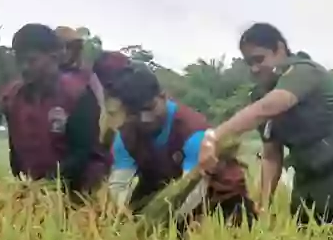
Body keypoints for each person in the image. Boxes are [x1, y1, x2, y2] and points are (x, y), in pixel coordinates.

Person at [197, 22, 333, 224]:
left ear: (280, 49)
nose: (254, 69)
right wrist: (263, 204)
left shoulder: (304, 72)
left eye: (259, 59)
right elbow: (272, 156)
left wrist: (214, 136)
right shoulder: (260, 95)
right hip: (313, 177)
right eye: (249, 63)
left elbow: (271, 106)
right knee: (307, 235)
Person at [106, 63, 256, 226]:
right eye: (135, 114)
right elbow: (119, 187)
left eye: (149, 109)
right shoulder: (127, 135)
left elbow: (193, 190)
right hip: (165, 191)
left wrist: (161, 226)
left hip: (215, 195)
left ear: (163, 97)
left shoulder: (192, 131)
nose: (145, 119)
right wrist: (124, 216)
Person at [0, 24, 110, 196]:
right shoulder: (11, 99)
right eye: (20, 61)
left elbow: (82, 152)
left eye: (32, 60)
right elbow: (15, 149)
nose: (25, 67)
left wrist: (49, 183)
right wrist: (23, 183)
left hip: (80, 189)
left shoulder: (78, 95)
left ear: (54, 57)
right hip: (35, 189)